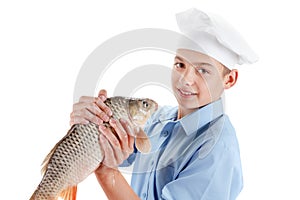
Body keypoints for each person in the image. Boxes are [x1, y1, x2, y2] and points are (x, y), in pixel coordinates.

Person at [70, 8, 258, 200]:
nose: (185, 79)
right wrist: (93, 125)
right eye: (180, 65)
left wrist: (108, 173)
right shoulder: (160, 118)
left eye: (203, 70)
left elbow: (110, 166)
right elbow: (120, 152)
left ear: (229, 80)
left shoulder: (217, 149)